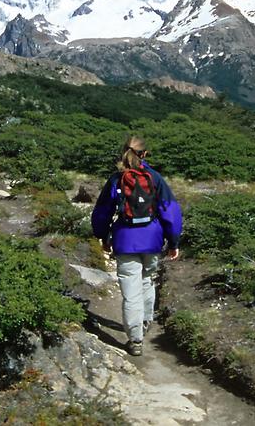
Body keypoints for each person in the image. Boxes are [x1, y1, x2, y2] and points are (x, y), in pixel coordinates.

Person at [91, 136, 182, 356]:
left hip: (124, 239)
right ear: (144, 154)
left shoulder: (116, 180)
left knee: (131, 291)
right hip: (152, 239)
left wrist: (102, 236)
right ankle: (145, 321)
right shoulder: (155, 178)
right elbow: (170, 211)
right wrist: (173, 242)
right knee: (147, 280)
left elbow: (103, 212)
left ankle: (135, 339)